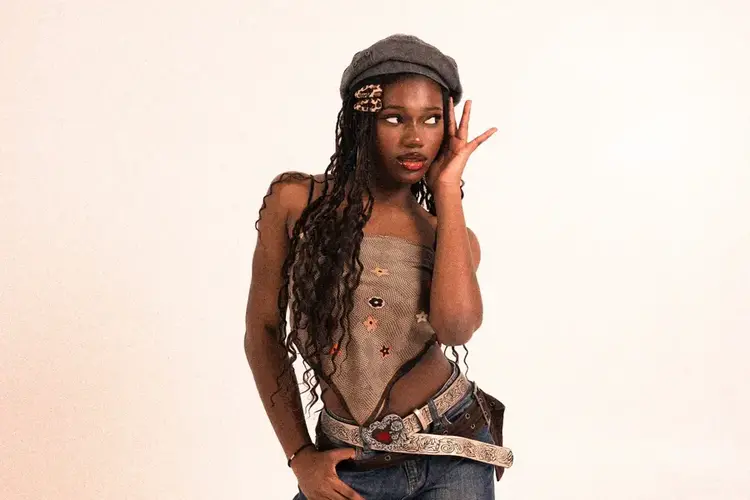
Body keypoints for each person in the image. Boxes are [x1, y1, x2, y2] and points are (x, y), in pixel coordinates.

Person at [244, 34, 514, 500]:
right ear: (361, 120)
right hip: (346, 462)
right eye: (394, 118)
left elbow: (455, 330)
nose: (415, 138)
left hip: (453, 450)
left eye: (431, 120)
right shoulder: (297, 203)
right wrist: (300, 455)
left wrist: (448, 192)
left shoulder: (451, 236)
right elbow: (263, 331)